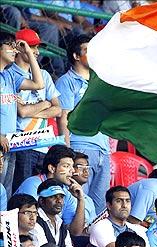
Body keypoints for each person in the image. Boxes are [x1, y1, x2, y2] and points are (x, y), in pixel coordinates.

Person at [56, 34, 110, 214]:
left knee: (99, 205)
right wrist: (68, 151)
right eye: (87, 50)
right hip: (81, 148)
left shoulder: (99, 81)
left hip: (104, 150)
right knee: (79, 201)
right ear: (76, 56)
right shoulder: (67, 81)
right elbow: (63, 117)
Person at [10, 28, 62, 192]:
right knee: (22, 192)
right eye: (32, 47)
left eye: (37, 47)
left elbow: (58, 109)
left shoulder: (44, 75)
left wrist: (32, 109)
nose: (36, 52)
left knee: (42, 194)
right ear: (19, 48)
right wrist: (45, 104)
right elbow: (22, 112)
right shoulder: (9, 74)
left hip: (43, 144)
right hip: (21, 144)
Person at [1, 31, 44, 198]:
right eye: (9, 47)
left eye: (15, 46)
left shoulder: (10, 75)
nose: (14, 50)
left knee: (5, 191)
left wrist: (28, 52)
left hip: (10, 142)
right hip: (1, 139)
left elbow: (38, 83)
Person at [15, 145, 85, 236]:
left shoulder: (66, 192)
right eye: (66, 166)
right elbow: (31, 225)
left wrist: (81, 200)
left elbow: (75, 232)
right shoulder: (33, 184)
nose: (72, 171)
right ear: (52, 168)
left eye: (72, 166)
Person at [29, 179, 88, 247]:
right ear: (41, 201)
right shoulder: (36, 223)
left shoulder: (61, 224)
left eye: (61, 197)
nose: (59, 200)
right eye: (53, 197)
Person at [89, 186, 155, 247]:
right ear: (109, 205)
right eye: (119, 201)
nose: (124, 205)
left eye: (127, 201)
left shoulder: (136, 229)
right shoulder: (101, 226)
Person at [72, 152, 96, 227]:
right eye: (80, 167)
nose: (86, 171)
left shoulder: (89, 200)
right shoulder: (63, 194)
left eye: (87, 168)